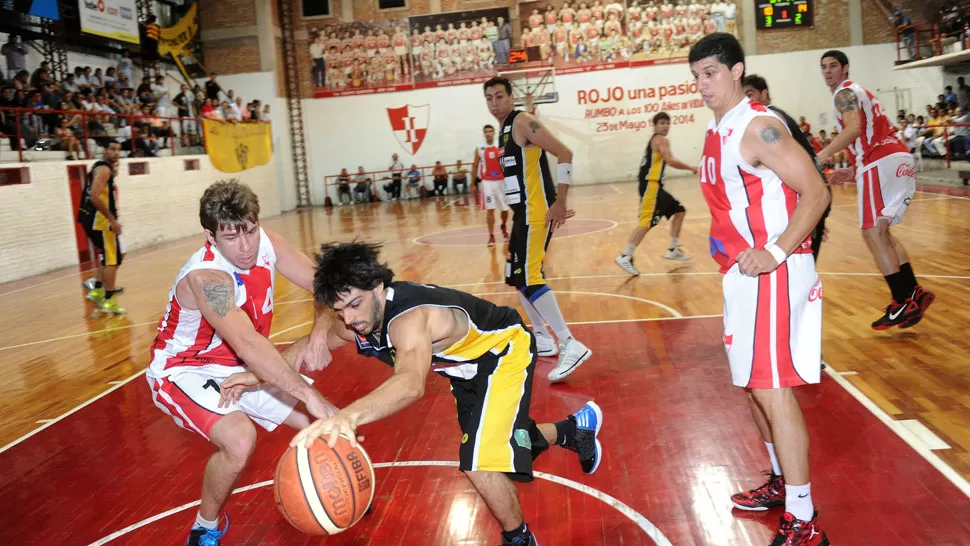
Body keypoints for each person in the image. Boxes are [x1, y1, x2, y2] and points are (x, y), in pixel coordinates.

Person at [283, 242, 604, 546]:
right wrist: (254, 374)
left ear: (379, 287)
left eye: (355, 305)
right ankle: (574, 430)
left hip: (504, 352)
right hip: (464, 369)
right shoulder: (357, 320)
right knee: (499, 447)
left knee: (481, 464)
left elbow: (410, 383)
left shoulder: (409, 318)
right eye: (341, 311)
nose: (350, 319)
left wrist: (346, 417)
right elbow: (310, 345)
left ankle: (520, 539)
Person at [689, 33, 831, 545]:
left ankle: (804, 517)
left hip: (774, 272)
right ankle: (780, 481)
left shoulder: (759, 126)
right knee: (751, 385)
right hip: (742, 276)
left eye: (711, 73)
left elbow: (816, 191)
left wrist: (775, 251)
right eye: (697, 76)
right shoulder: (718, 131)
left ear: (736, 71)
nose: (702, 84)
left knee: (773, 389)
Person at [145, 180, 339, 546]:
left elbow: (323, 284)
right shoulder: (207, 277)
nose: (247, 245)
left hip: (239, 365)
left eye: (250, 230)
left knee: (321, 423)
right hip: (184, 369)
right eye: (232, 237)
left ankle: (340, 488)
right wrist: (304, 392)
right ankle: (206, 526)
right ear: (211, 236)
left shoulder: (267, 241)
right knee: (239, 438)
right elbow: (249, 343)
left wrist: (318, 333)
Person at [483, 77, 592, 381]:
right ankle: (542, 338)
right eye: (489, 98)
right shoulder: (504, 132)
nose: (495, 103)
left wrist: (561, 199)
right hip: (521, 214)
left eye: (499, 96)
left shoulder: (522, 122)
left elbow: (565, 152)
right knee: (517, 277)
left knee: (531, 276)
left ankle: (570, 343)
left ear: (510, 96)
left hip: (536, 213)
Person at [817, 50, 935, 329]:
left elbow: (855, 129)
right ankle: (913, 292)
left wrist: (823, 155)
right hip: (899, 159)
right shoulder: (862, 92)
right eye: (823, 67)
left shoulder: (843, 93)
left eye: (833, 66)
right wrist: (852, 169)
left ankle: (901, 301)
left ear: (845, 69)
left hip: (880, 161)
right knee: (883, 232)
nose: (828, 71)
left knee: (872, 232)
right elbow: (877, 133)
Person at [743, 74, 832, 263]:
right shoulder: (770, 116)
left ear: (764, 93)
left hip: (811, 191)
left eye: (750, 94)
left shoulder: (768, 118)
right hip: (810, 191)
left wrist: (812, 211)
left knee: (798, 263)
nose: (746, 100)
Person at [615, 112, 697, 276]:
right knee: (645, 223)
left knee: (679, 211)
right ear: (655, 125)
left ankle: (673, 248)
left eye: (668, 123)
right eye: (662, 123)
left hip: (656, 186)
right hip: (650, 187)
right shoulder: (660, 139)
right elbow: (670, 160)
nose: (665, 126)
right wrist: (691, 168)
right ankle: (625, 255)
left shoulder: (657, 140)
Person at [78, 142, 127, 313]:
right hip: (100, 220)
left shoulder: (101, 168)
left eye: (118, 150)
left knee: (111, 257)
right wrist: (112, 219)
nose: (116, 152)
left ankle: (98, 289)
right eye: (112, 149)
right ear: (105, 150)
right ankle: (109, 299)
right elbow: (94, 197)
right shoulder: (104, 169)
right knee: (112, 260)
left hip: (92, 218)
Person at [472, 124, 510, 246]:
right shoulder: (479, 148)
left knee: (505, 209)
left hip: (501, 181)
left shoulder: (500, 146)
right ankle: (491, 236)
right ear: (484, 133)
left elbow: (507, 162)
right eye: (486, 131)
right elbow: (475, 165)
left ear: (494, 133)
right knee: (490, 209)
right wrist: (473, 183)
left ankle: (503, 226)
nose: (488, 133)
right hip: (487, 182)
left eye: (490, 131)